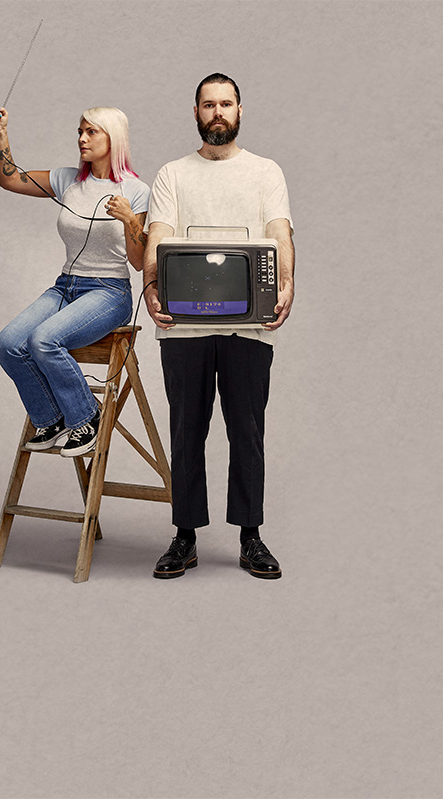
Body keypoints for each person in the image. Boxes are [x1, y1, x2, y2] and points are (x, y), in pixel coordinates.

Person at [142, 73, 295, 580]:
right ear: (196, 113)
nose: (217, 113)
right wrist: (150, 287)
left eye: (225, 103)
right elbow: (157, 237)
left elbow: (279, 231)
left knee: (247, 431)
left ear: (240, 109)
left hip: (249, 326)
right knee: (187, 431)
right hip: (182, 326)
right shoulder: (172, 174)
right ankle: (184, 536)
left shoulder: (266, 171)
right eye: (208, 105)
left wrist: (287, 281)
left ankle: (250, 536)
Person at [0, 104, 150, 457]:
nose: (82, 138)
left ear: (113, 138)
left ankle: (87, 417)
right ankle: (53, 417)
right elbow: (9, 178)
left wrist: (129, 221)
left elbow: (138, 262)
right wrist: (1, 136)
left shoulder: (136, 191)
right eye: (80, 131)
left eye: (92, 132)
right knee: (8, 344)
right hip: (67, 286)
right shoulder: (67, 181)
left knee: (44, 340)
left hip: (109, 291)